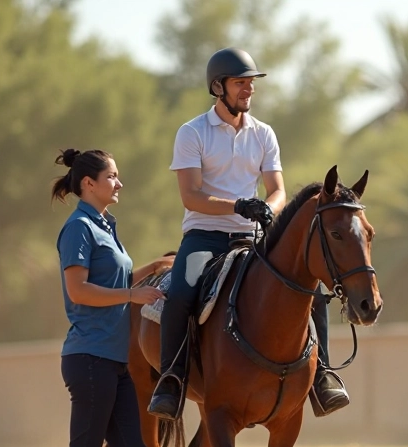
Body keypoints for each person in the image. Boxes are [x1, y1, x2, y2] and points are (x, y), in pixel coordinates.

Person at [146, 47, 350, 421]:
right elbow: (191, 196)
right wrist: (239, 205)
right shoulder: (192, 132)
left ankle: (322, 376)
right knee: (181, 294)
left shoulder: (264, 133)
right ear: (218, 87)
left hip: (254, 238)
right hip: (204, 238)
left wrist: (267, 208)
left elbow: (278, 190)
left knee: (312, 292)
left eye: (251, 83)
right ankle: (172, 381)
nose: (249, 89)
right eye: (240, 83)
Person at [47, 148, 195, 447]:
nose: (119, 183)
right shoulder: (78, 228)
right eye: (112, 176)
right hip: (90, 359)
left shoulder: (105, 226)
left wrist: (153, 269)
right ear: (88, 183)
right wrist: (132, 295)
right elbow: (79, 290)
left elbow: (114, 278)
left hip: (116, 362)